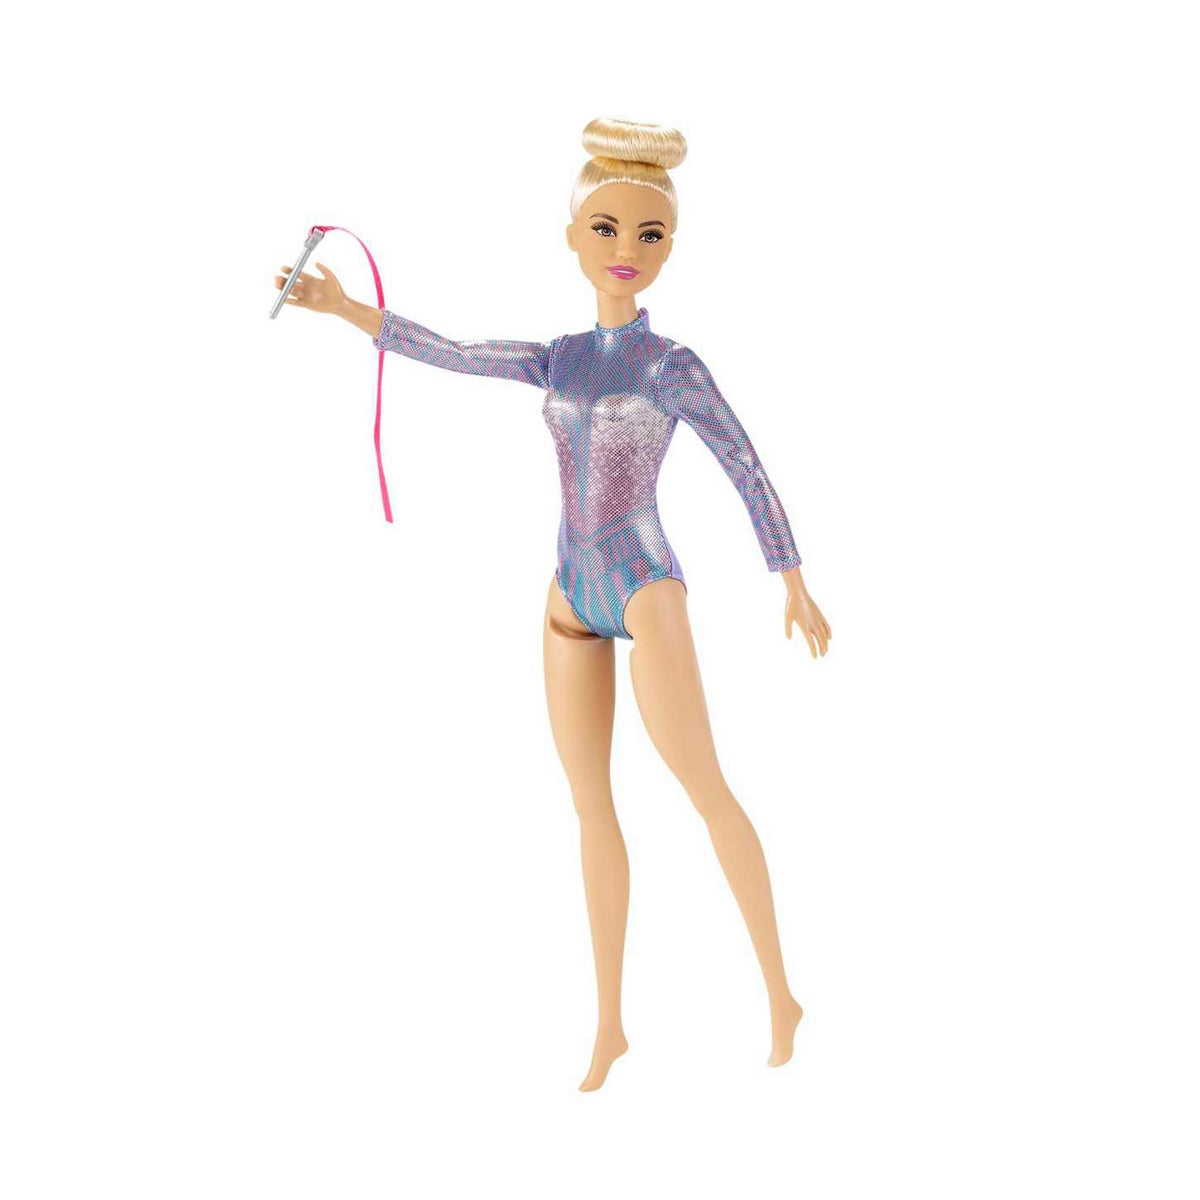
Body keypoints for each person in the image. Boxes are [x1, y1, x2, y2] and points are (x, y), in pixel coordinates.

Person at [274, 116, 831, 1091]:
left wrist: (790, 575)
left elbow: (744, 463)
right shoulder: (562, 356)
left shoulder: (671, 366)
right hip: (569, 588)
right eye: (606, 228)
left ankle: (781, 993)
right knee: (590, 805)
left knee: (705, 789)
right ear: (573, 237)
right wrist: (348, 309)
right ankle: (611, 1024)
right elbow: (453, 351)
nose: (626, 249)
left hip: (645, 582)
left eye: (650, 234)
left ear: (671, 246)